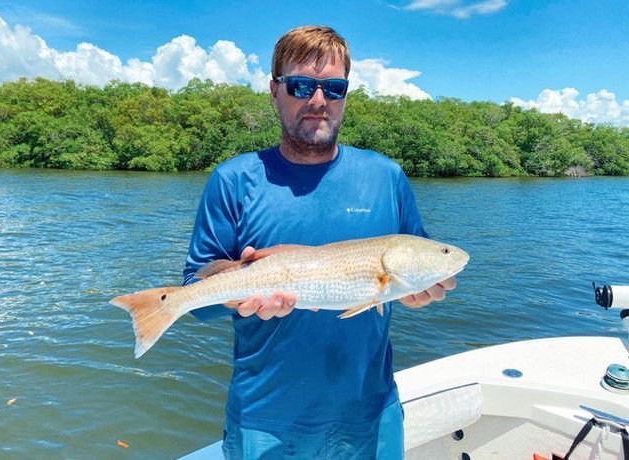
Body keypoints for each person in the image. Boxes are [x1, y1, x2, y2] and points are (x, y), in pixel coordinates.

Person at [183, 25, 456, 459]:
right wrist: (238, 296)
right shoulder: (232, 181)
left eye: (333, 87)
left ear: (346, 94)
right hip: (265, 421)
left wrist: (419, 294)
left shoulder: (387, 177)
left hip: (371, 415)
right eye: (301, 85)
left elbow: (410, 271)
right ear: (275, 91)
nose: (317, 100)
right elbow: (195, 297)